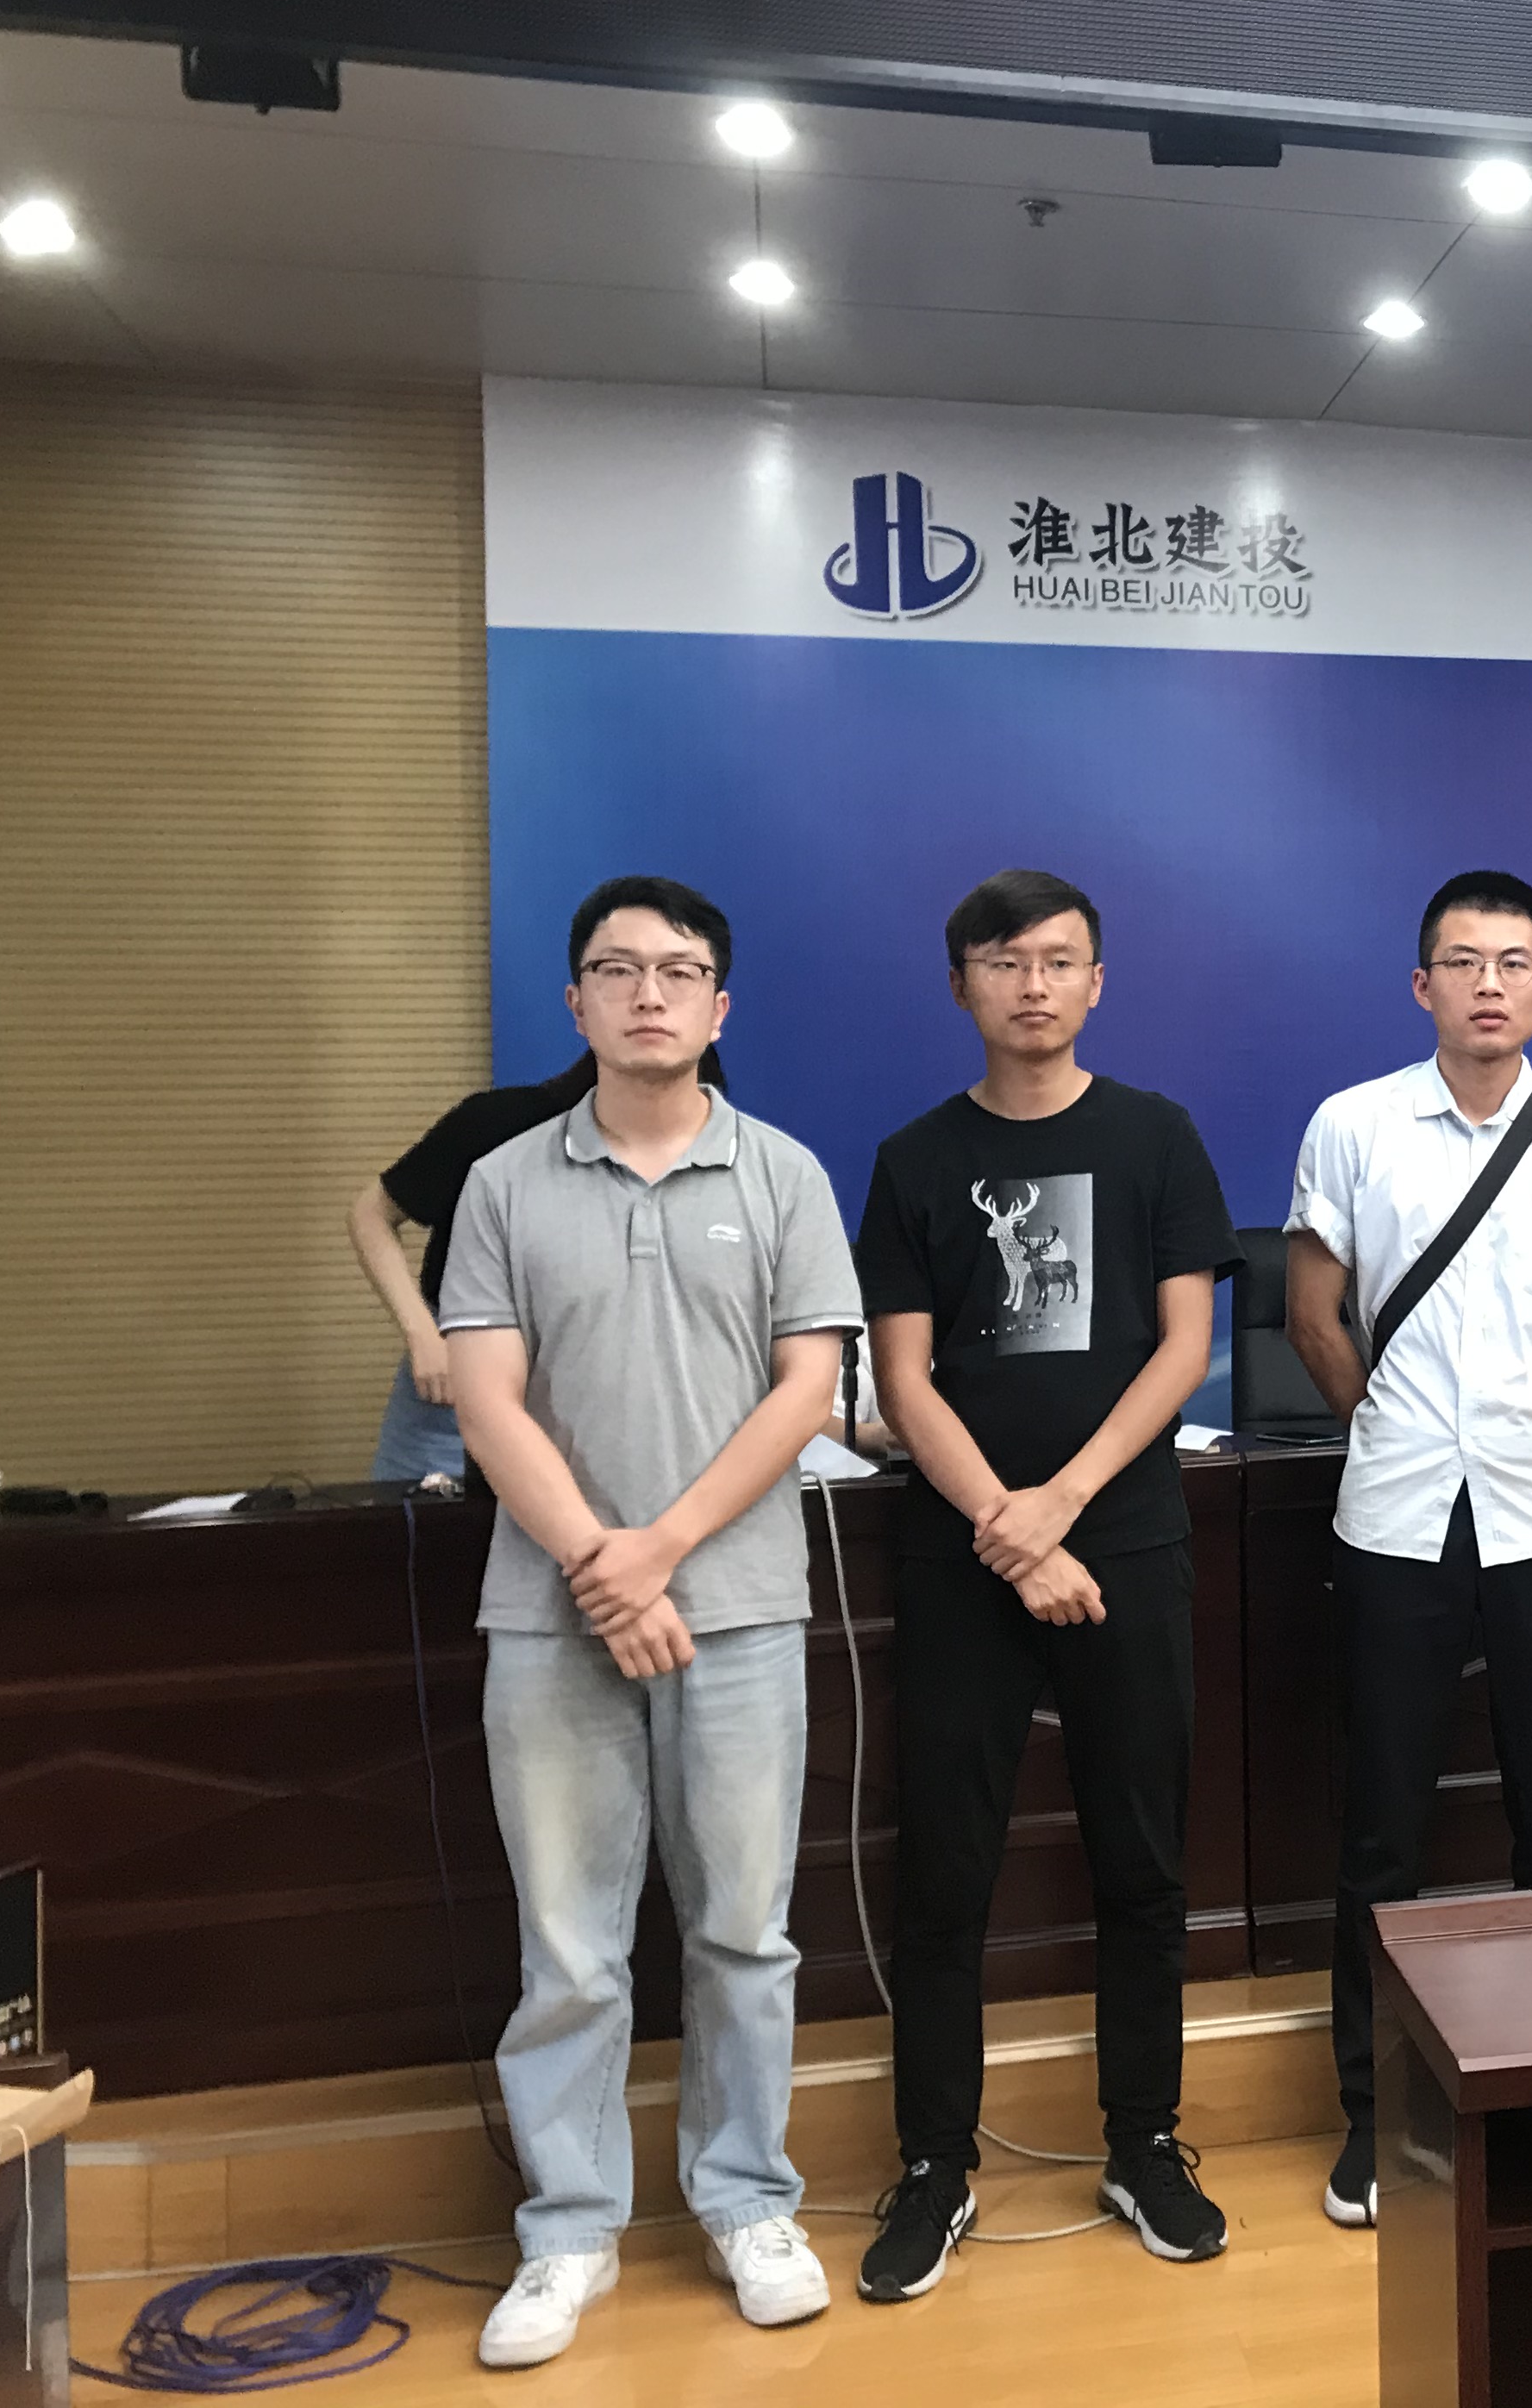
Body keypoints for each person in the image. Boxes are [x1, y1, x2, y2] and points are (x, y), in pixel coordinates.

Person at [439, 877, 861, 2368]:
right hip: (549, 1621)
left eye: (678, 971)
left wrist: (660, 1551)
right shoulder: (503, 1183)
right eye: (616, 970)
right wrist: (596, 1566)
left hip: (738, 1609)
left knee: (744, 1930)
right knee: (568, 1946)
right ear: (575, 1002)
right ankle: (568, 2229)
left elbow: (808, 1390)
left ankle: (749, 2201)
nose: (647, 994)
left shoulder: (786, 1173)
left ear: (719, 1005)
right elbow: (485, 1396)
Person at [849, 870, 1241, 2297]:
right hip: (962, 1559)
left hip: (1123, 1545)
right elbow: (903, 1377)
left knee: (1143, 1861)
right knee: (944, 1871)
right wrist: (1006, 1531)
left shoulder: (1156, 1135)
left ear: (1096, 981)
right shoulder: (912, 1158)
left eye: (1059, 960)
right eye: (1005, 961)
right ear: (962, 982)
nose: (1033, 984)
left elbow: (1182, 1345)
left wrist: (1060, 1508)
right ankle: (933, 2164)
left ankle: (1144, 2142)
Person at [1284, 871, 1532, 2233]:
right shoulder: (1354, 1123)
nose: (1487, 984)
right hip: (1396, 1515)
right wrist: (1389, 1425)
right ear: (1421, 985)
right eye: (1461, 961)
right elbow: (1315, 1310)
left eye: (1511, 963)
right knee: (1382, 1827)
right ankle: (1375, 2119)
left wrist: (1523, 1411)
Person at [351, 1055, 597, 1481]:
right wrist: (422, 1333)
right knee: (417, 1519)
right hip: (455, 1392)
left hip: (585, 1400)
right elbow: (371, 1214)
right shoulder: (497, 1122)